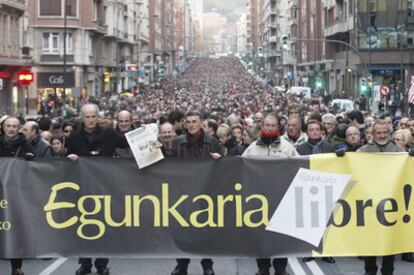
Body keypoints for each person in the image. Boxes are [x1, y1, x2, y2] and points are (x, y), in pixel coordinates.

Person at [66, 103, 128, 275]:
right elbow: (63, 160)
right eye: (87, 116)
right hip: (83, 187)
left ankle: (102, 263)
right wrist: (68, 157)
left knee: (103, 226)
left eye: (94, 116)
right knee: (83, 226)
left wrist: (148, 136)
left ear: (97, 117)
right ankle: (85, 263)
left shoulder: (109, 134)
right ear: (82, 117)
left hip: (104, 187)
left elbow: (127, 143)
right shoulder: (73, 137)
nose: (91, 120)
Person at [242, 114, 296, 275]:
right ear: (262, 127)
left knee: (281, 237)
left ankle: (281, 268)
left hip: (281, 199)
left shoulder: (287, 148)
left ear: (278, 128)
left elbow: (300, 165)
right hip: (259, 202)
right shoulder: (252, 148)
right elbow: (240, 167)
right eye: (267, 125)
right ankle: (263, 268)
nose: (270, 128)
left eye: (273, 125)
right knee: (261, 237)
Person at [169, 111, 220, 275]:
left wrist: (220, 159)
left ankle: (207, 265)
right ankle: (182, 265)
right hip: (183, 193)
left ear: (201, 123)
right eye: (188, 122)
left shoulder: (212, 142)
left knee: (205, 231)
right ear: (184, 124)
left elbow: (223, 167)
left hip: (205, 193)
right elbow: (168, 164)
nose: (191, 124)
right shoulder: (177, 142)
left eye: (194, 121)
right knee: (183, 230)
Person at [357, 120, 405, 275]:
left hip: (391, 205)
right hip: (369, 205)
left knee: (389, 241)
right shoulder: (363, 152)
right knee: (370, 240)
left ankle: (388, 271)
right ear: (373, 133)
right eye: (379, 132)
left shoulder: (398, 151)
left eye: (385, 132)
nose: (382, 135)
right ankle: (369, 270)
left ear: (389, 132)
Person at [0, 117, 34, 275]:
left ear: (18, 128)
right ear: (3, 127)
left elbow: (36, 167)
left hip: (17, 194)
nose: (11, 129)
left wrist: (29, 159)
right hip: (1, 191)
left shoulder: (25, 144)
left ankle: (16, 267)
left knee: (15, 229)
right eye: (8, 126)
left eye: (14, 126)